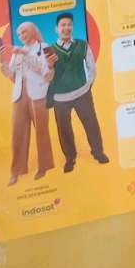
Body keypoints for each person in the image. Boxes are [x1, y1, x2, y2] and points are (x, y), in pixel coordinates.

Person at [47, 12, 109, 170]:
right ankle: (70, 158)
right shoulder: (49, 51)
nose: (66, 28)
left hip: (82, 93)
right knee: (64, 130)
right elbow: (46, 78)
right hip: (60, 98)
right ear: (56, 29)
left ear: (72, 27)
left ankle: (98, 152)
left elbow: (91, 67)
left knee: (91, 123)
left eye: (69, 24)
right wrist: (49, 66)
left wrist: (87, 86)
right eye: (63, 25)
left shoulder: (82, 44)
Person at [3, 20, 54, 184]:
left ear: (32, 31)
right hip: (20, 93)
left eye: (24, 31)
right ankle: (16, 171)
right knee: (17, 132)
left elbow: (44, 70)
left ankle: (44, 167)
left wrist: (25, 54)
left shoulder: (45, 47)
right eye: (19, 34)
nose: (21, 36)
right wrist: (1, 58)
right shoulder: (17, 52)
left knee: (41, 130)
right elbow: (10, 73)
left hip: (39, 93)